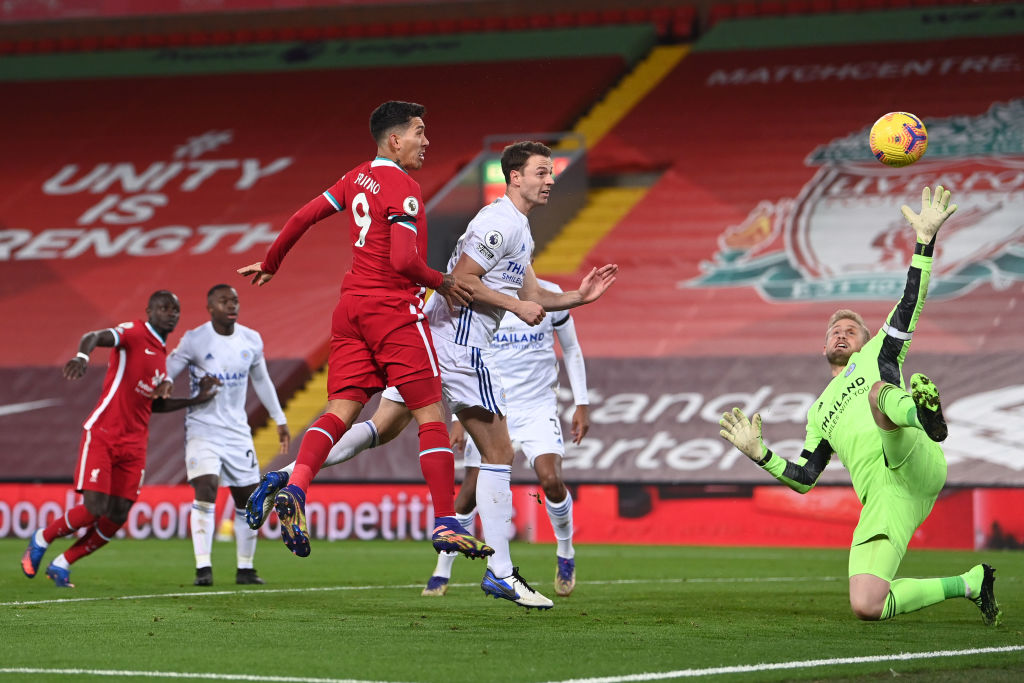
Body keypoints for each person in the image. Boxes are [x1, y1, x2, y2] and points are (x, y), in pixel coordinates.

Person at [248, 141, 617, 609]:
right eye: (541, 172)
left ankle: (286, 477)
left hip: (429, 337)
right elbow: (464, 279)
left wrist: (577, 299)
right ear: (515, 177)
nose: (550, 180)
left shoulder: (516, 228)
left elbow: (530, 293)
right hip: (461, 346)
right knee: (499, 451)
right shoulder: (499, 222)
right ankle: (501, 571)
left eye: (551, 173)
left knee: (380, 427)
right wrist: (513, 306)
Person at [718, 186, 1001, 626]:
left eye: (852, 329)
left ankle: (924, 418)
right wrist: (761, 456)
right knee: (868, 605)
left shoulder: (878, 357)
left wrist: (924, 242)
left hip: (913, 455)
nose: (842, 333)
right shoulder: (817, 413)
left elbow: (913, 300)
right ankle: (970, 582)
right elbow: (805, 478)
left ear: (867, 341)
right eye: (835, 330)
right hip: (887, 500)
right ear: (823, 344)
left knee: (876, 396)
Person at [236, 100, 485, 561]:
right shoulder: (404, 188)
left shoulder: (354, 178)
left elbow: (302, 217)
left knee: (339, 412)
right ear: (395, 140)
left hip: (349, 309)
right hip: (392, 310)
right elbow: (404, 261)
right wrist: (444, 282)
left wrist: (271, 263)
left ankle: (296, 486)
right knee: (431, 415)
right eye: (419, 132)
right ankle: (448, 522)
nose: (426, 141)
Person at [21, 291, 219, 588]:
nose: (171, 314)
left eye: (175, 310)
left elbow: (154, 404)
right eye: (164, 308)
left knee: (117, 515)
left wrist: (196, 399)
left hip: (135, 444)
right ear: (149, 311)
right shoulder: (133, 332)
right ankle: (41, 538)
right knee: (93, 509)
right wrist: (82, 356)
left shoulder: (160, 354)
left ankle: (62, 563)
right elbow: (94, 335)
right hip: (104, 433)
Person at [421, 279, 590, 598]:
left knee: (551, 480)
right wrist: (458, 417)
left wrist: (581, 402)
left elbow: (570, 347)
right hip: (491, 403)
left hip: (537, 405)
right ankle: (442, 570)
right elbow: (462, 356)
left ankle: (565, 552)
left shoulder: (547, 293)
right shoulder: (484, 297)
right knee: (469, 491)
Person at [165, 284, 291, 586]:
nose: (231, 305)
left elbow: (262, 381)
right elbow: (169, 367)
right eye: (224, 301)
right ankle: (203, 567)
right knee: (206, 488)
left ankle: (245, 568)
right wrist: (165, 381)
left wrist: (280, 418)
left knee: (247, 500)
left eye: (234, 300)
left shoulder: (251, 339)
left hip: (237, 432)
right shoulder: (195, 340)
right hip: (202, 429)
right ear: (210, 307)